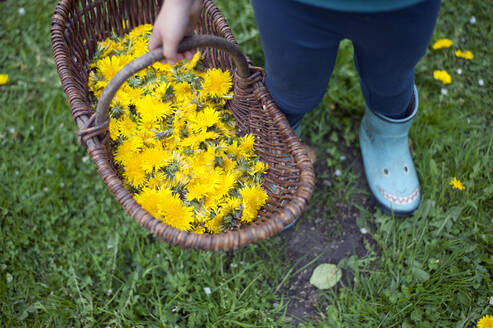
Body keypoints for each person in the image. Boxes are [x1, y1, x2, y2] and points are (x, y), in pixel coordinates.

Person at [149, 0, 441, 217]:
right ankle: (282, 141)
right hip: (295, 6)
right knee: (293, 83)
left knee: (391, 79)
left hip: (404, 6)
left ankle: (385, 132)